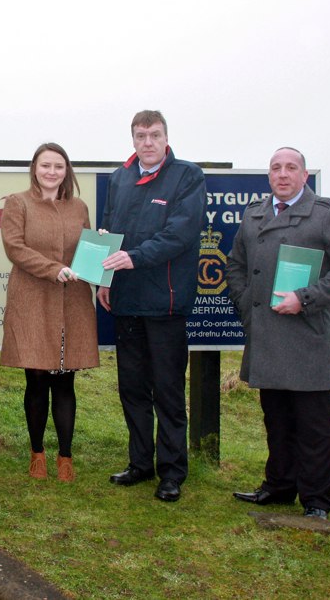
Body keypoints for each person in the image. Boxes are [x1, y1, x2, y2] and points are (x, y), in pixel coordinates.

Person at [226, 147, 330, 520]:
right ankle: (279, 486)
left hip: (306, 336)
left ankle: (317, 500)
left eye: (291, 168)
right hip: (266, 334)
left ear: (304, 175)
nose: (282, 174)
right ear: (268, 176)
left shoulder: (327, 214)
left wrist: (305, 298)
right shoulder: (254, 214)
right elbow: (235, 264)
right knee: (277, 418)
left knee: (314, 425)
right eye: (276, 168)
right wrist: (246, 303)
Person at [98, 110, 206, 503]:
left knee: (168, 391)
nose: (148, 142)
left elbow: (181, 233)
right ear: (132, 139)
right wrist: (104, 278)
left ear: (166, 137)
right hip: (126, 301)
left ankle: (172, 472)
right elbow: (109, 230)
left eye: (154, 135)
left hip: (166, 304)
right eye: (141, 135)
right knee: (132, 389)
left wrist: (135, 257)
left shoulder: (188, 176)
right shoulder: (119, 177)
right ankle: (140, 463)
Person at [0, 143, 99, 483]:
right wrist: (52, 268)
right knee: (37, 379)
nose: (52, 171)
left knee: (66, 379)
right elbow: (14, 247)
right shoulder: (18, 202)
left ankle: (66, 458)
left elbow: (86, 250)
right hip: (33, 298)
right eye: (46, 165)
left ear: (66, 171)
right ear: (35, 169)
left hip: (72, 301)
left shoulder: (79, 206)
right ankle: (37, 453)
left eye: (58, 166)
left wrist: (97, 245)